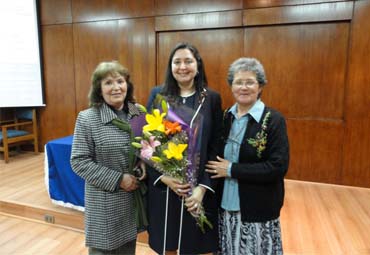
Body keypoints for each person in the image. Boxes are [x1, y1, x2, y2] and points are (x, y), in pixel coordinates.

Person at [206, 57, 289, 255]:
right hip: (225, 206)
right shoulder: (225, 117)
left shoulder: (274, 120)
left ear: (260, 86)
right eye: (238, 82)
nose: (244, 87)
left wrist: (231, 169)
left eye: (250, 82)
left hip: (258, 208)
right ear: (231, 86)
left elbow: (278, 167)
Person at [146, 42, 223, 254]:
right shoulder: (158, 95)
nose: (183, 66)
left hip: (197, 188)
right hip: (166, 187)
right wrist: (164, 178)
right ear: (170, 66)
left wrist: (202, 188)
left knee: (197, 246)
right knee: (168, 245)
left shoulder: (211, 99)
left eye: (188, 61)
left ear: (198, 65)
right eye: (177, 61)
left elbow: (216, 145)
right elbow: (147, 141)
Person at [70, 61, 146, 255]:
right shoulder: (88, 118)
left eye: (120, 81)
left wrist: (143, 164)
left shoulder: (139, 113)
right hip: (105, 203)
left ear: (127, 85)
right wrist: (119, 179)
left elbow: (147, 149)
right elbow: (79, 161)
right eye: (108, 83)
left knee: (128, 249)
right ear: (99, 89)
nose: (116, 87)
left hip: (132, 201)